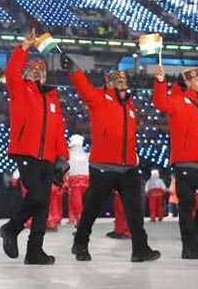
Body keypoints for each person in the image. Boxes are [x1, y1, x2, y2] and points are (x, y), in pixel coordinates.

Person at [61, 54, 159, 263]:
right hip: (103, 168)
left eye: (125, 82)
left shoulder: (130, 108)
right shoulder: (98, 99)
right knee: (91, 210)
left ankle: (140, 249)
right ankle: (80, 243)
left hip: (129, 168)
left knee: (135, 211)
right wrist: (74, 70)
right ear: (110, 84)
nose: (123, 85)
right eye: (119, 82)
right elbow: (83, 87)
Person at [0, 30, 69, 266]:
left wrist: (63, 157)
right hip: (25, 152)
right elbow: (11, 72)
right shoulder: (19, 90)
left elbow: (59, 128)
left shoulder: (52, 97)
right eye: (33, 70)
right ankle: (11, 228)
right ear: (26, 73)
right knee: (38, 196)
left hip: (48, 156)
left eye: (41, 71)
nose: (37, 73)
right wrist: (23, 47)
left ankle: (34, 251)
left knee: (43, 203)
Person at [153, 65, 198, 259]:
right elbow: (160, 102)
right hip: (185, 162)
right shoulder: (177, 101)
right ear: (189, 82)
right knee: (187, 205)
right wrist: (161, 82)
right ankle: (189, 246)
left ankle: (193, 235)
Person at [66, 134, 90, 226]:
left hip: (74, 180)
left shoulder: (69, 154)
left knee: (76, 201)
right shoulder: (86, 155)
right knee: (83, 201)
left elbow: (67, 168)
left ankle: (79, 220)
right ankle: (78, 219)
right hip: (86, 180)